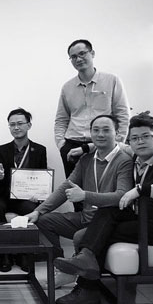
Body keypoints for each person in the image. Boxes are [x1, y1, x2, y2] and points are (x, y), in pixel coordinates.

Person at [53, 112, 153, 304]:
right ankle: (85, 262)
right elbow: (111, 144)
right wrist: (85, 147)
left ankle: (87, 288)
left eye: (146, 136)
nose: (140, 142)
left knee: (91, 235)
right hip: (145, 220)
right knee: (108, 210)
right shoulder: (137, 154)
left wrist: (141, 190)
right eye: (135, 138)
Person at [25, 115, 133, 289]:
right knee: (44, 221)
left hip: (107, 223)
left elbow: (121, 196)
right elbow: (66, 187)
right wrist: (38, 211)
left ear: (117, 133)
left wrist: (85, 196)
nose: (100, 134)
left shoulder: (124, 161)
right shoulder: (86, 159)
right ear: (90, 133)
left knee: (79, 236)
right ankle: (62, 268)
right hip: (85, 217)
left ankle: (77, 277)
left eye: (106, 130)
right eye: (96, 130)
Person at [55, 39, 130, 198]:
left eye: (82, 53)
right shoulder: (67, 87)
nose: (78, 59)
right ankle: (79, 215)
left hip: (102, 143)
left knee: (103, 190)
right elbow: (61, 119)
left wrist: (118, 142)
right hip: (72, 144)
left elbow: (122, 114)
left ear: (92, 53)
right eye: (73, 57)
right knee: (74, 191)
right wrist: (62, 145)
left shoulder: (112, 80)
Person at [0, 108, 48, 272]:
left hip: (26, 197)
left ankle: (24, 253)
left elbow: (42, 176)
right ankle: (4, 254)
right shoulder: (1, 149)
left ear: (29, 125)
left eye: (20, 123)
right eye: (12, 124)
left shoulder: (40, 150)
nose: (16, 127)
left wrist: (39, 195)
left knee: (29, 208)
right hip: (4, 194)